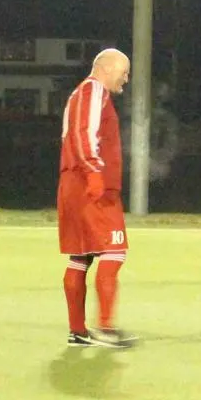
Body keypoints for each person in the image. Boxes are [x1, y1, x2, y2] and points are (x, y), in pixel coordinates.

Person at [60, 49, 133, 347]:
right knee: (115, 252)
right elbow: (83, 133)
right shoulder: (93, 91)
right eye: (124, 72)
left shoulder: (81, 93)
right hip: (91, 185)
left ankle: (78, 331)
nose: (126, 79)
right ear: (106, 68)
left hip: (73, 184)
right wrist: (93, 171)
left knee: (81, 256)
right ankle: (105, 327)